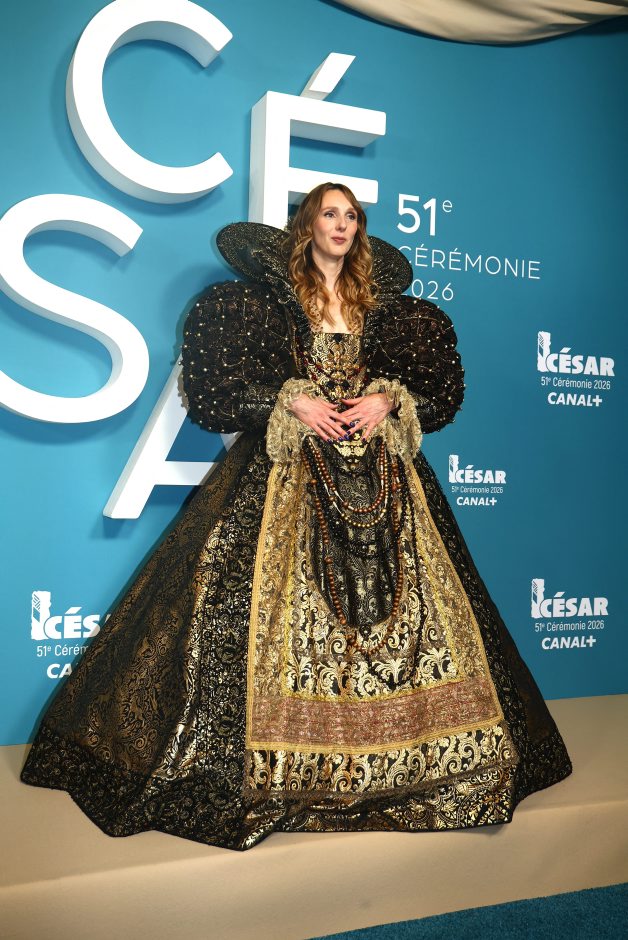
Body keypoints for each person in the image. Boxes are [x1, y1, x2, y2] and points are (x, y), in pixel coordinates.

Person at [21, 182, 572, 850]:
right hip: (289, 474)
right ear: (306, 226)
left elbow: (440, 398)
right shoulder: (257, 305)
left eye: (351, 216)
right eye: (329, 214)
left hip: (386, 480)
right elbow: (215, 395)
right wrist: (291, 401)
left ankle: (417, 763)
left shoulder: (389, 312)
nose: (341, 224)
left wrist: (388, 402)